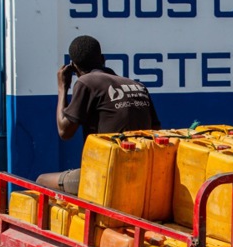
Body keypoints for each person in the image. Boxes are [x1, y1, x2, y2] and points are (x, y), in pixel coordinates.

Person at [36, 35, 160, 192]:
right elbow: (155, 130)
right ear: (103, 59)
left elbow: (64, 131)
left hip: (105, 174)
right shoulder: (137, 85)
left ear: (73, 67)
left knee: (41, 180)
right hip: (143, 172)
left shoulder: (87, 82)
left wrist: (62, 88)